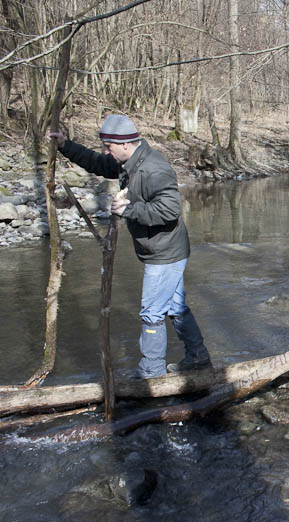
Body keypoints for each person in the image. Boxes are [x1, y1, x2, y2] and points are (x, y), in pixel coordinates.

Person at [47, 114, 211, 378]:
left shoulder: (152, 169)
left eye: (108, 146)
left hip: (165, 253)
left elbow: (170, 209)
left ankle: (152, 373)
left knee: (152, 313)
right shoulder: (129, 162)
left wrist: (129, 209)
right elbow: (97, 163)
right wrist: (66, 146)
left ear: (124, 144)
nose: (105, 151)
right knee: (176, 307)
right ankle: (198, 358)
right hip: (163, 249)